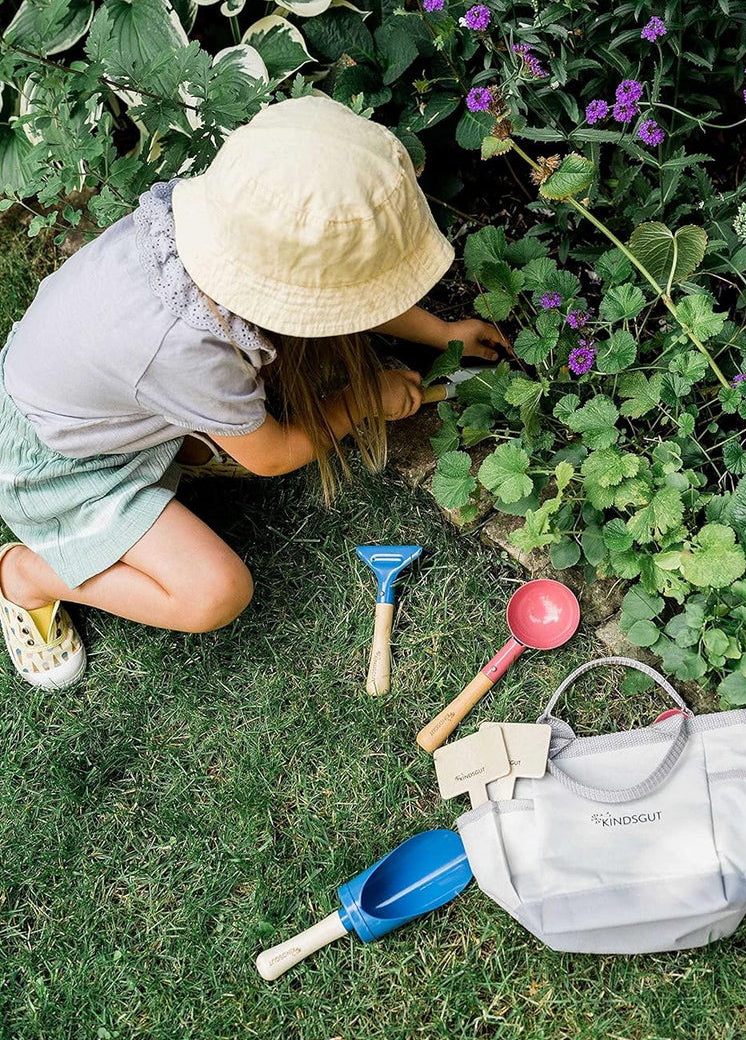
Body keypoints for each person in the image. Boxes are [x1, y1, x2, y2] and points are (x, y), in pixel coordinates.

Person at [0, 95, 507, 690]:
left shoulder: (209, 227)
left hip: (87, 398)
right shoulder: (187, 349)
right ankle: (27, 575)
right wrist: (359, 399)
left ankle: (182, 444)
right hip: (59, 472)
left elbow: (340, 289)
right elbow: (272, 456)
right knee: (215, 593)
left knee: (224, 405)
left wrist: (440, 333)